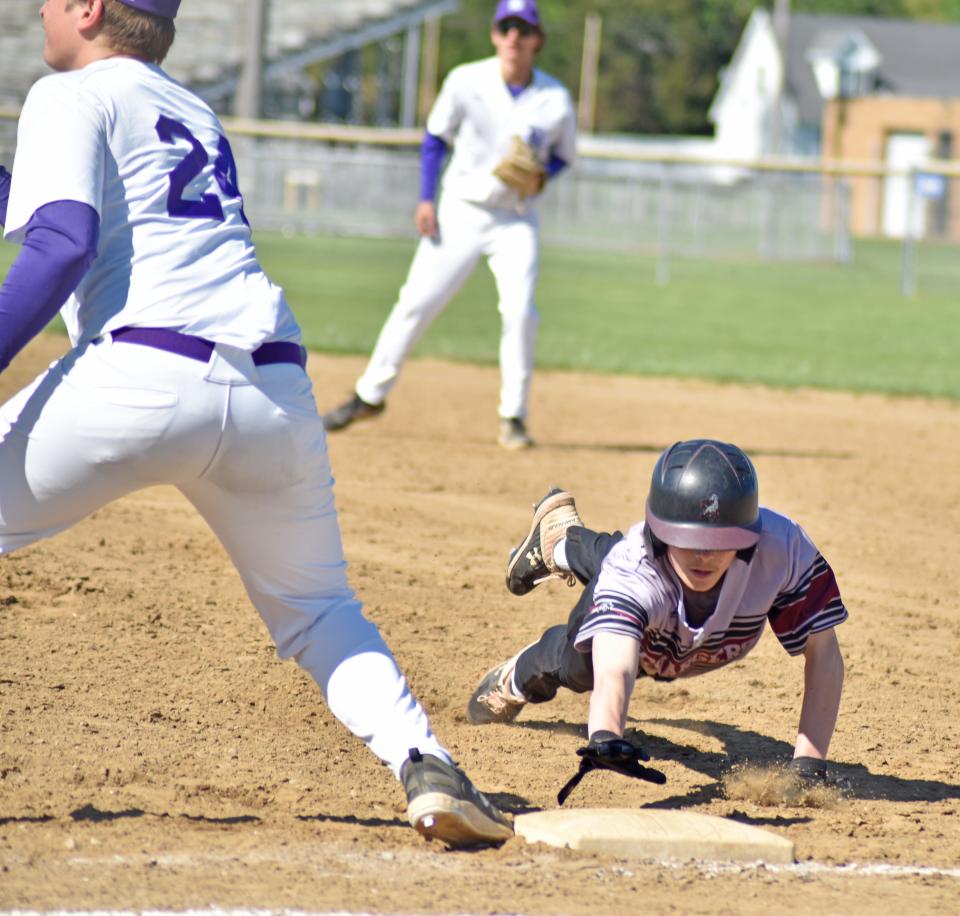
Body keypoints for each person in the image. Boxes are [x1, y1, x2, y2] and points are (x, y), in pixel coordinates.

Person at [0, 0, 511, 849]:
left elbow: (62, 243)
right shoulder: (186, 105)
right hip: (274, 387)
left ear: (87, 10)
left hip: (142, 375)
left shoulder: (69, 92)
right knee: (317, 608)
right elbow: (97, 215)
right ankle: (424, 761)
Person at [467, 440, 847, 796]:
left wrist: (809, 763)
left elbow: (824, 651)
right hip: (643, 623)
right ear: (661, 534)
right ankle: (516, 675)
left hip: (661, 607)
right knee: (579, 666)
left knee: (630, 565)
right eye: (688, 541)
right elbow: (615, 667)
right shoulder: (633, 569)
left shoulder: (783, 551)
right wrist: (606, 734)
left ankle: (562, 539)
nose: (704, 556)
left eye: (719, 543)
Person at [322, 0, 577, 450]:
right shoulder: (466, 80)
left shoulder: (554, 99)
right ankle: (369, 395)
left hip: (515, 218)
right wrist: (426, 197)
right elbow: (435, 139)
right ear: (495, 35)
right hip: (461, 209)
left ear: (537, 39)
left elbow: (562, 155)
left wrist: (543, 176)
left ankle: (513, 416)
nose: (513, 37)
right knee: (415, 303)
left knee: (520, 312)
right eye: (506, 27)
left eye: (523, 28)